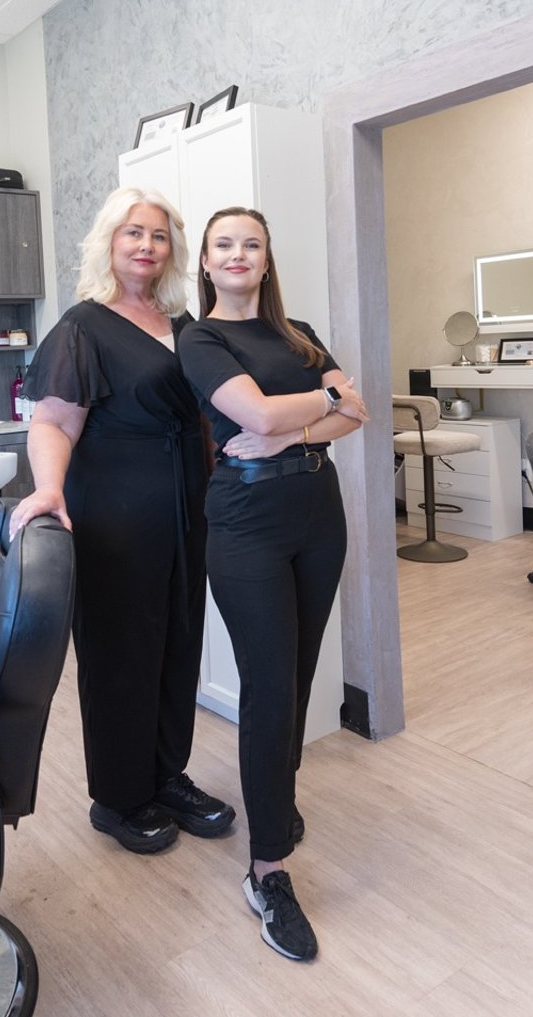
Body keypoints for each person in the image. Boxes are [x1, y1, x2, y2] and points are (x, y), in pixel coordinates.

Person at [8, 187, 234, 855]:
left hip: (187, 510)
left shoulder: (187, 324)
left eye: (158, 235)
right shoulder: (84, 326)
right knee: (120, 655)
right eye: (132, 232)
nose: (145, 245)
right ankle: (118, 796)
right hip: (114, 512)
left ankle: (167, 774)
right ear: (110, 242)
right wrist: (49, 488)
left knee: (177, 644)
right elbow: (51, 421)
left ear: (172, 250)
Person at [176, 206, 368, 962]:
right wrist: (318, 402)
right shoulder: (202, 337)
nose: (237, 253)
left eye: (250, 243)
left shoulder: (300, 332)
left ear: (266, 257)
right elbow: (253, 411)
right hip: (247, 519)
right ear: (207, 259)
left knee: (297, 674)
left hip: (319, 513)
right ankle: (268, 872)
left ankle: (276, 807)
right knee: (268, 686)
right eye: (224, 243)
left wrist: (294, 423)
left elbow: (358, 412)